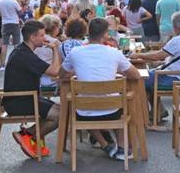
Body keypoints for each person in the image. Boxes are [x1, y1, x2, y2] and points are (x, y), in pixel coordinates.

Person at [60, 17, 141, 161]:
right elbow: (135, 75)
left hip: (83, 112)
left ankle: (106, 145)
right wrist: (118, 70)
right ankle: (122, 147)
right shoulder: (114, 52)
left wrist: (78, 71)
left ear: (88, 33)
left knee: (83, 107)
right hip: (112, 111)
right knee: (119, 103)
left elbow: (62, 74)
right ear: (105, 34)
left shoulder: (75, 52)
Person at [5, 20, 62, 159]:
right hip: (20, 101)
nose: (45, 38)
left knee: (62, 110)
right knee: (61, 116)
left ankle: (29, 134)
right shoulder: (25, 55)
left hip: (25, 98)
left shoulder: (23, 51)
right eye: (42, 35)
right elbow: (55, 71)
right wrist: (55, 49)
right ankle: (29, 135)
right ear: (32, 37)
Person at [134, 11, 180, 121]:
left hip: (174, 78)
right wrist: (162, 63)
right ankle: (157, 111)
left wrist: (137, 55)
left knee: (137, 78)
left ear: (174, 26)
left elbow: (157, 56)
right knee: (146, 76)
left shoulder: (177, 40)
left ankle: (144, 115)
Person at [0, 0, 22, 70]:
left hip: (5, 23)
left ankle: (2, 64)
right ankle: (17, 63)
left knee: (4, 44)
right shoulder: (14, 2)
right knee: (16, 44)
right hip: (14, 23)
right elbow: (20, 12)